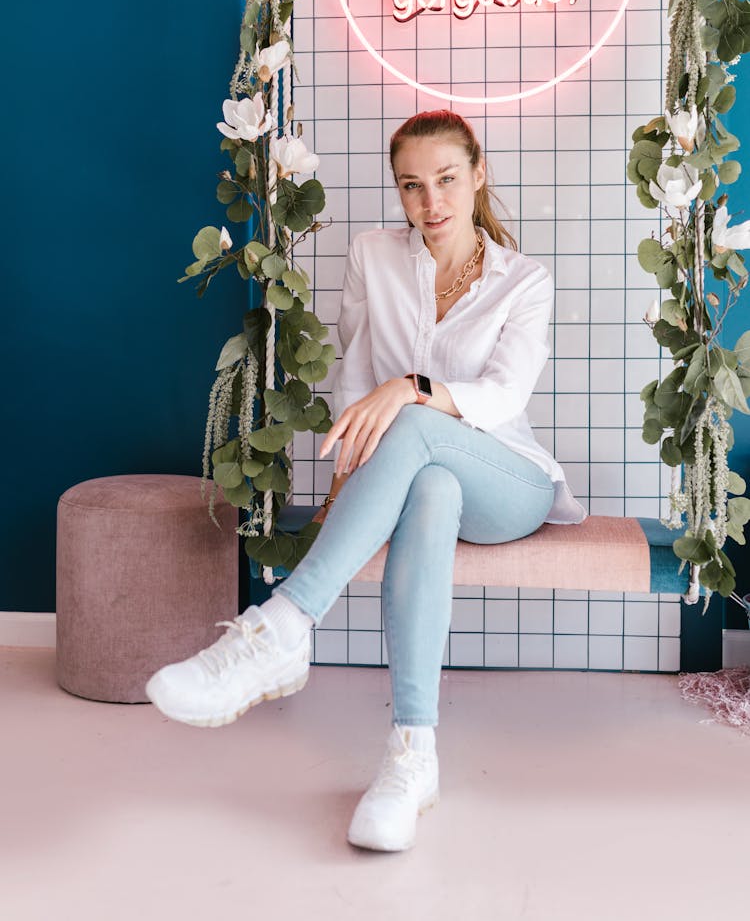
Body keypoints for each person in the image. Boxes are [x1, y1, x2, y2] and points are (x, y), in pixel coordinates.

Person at [146, 110, 586, 852]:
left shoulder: (526, 281)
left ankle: (281, 628)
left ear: (477, 175)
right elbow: (355, 385)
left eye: (447, 179)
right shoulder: (372, 255)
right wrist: (353, 467)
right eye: (412, 186)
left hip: (511, 481)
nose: (431, 202)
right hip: (429, 477)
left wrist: (410, 387)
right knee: (430, 487)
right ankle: (414, 754)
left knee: (417, 426)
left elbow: (503, 397)